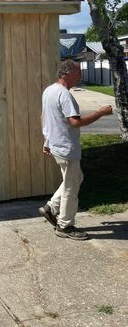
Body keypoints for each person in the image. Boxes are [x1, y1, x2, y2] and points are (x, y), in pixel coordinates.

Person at [39, 59, 113, 240]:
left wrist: (47, 140)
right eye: (78, 73)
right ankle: (65, 226)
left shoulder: (49, 90)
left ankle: (51, 208)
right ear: (68, 73)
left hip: (57, 145)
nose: (80, 77)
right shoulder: (64, 95)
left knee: (75, 178)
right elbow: (75, 122)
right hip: (66, 148)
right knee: (71, 188)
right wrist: (101, 113)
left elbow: (44, 116)